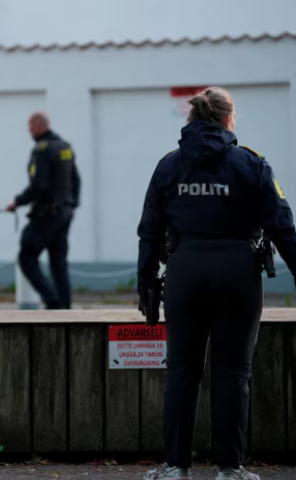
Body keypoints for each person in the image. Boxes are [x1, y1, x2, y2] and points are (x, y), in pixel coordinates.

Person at [137, 87, 296, 480]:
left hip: (184, 272)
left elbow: (149, 230)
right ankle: (230, 469)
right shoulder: (252, 164)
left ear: (190, 120)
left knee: (181, 370)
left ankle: (175, 468)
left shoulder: (169, 166)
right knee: (232, 373)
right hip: (238, 273)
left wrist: (146, 283)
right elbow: (283, 227)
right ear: (229, 119)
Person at [6, 112, 81, 309]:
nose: (30, 133)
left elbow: (38, 186)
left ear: (39, 126)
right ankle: (65, 308)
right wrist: (72, 206)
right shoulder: (64, 147)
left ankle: (53, 302)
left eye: (31, 128)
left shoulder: (42, 150)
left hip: (46, 215)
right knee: (59, 264)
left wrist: (17, 202)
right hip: (64, 215)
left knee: (26, 257)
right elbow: (76, 181)